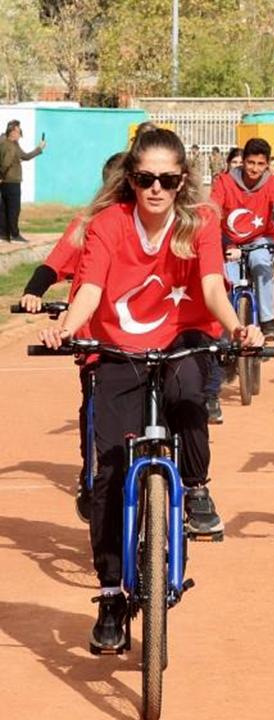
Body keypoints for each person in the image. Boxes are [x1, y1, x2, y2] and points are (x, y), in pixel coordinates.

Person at [35, 128, 265, 652]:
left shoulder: (201, 222)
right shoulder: (108, 224)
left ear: (182, 180)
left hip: (183, 341)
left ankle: (194, 488)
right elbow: (89, 287)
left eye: (166, 179)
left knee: (190, 402)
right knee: (109, 475)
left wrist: (235, 328)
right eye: (145, 179)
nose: (156, 189)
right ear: (131, 181)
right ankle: (113, 594)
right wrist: (67, 327)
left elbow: (210, 285)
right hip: (120, 350)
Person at [18, 152, 127, 522]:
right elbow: (54, 262)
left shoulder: (155, 225)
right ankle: (90, 471)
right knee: (94, 402)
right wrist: (33, 291)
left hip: (142, 335)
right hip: (95, 335)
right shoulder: (89, 223)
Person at [209, 137, 274, 341]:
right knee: (227, 281)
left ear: (266, 165)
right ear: (243, 161)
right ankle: (225, 327)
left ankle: (267, 320)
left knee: (260, 263)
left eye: (260, 164)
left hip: (260, 239)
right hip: (229, 241)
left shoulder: (273, 184)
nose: (254, 169)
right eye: (250, 163)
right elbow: (213, 210)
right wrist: (212, 238)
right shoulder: (224, 181)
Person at [0, 119, 47, 242]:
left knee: (4, 208)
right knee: (14, 209)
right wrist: (1, 175)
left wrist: (38, 148)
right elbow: (6, 163)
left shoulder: (5, 142)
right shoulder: (11, 146)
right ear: (13, 132)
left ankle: (3, 235)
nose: (20, 134)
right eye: (19, 131)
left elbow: (23, 156)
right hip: (11, 181)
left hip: (5, 182)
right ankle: (15, 235)